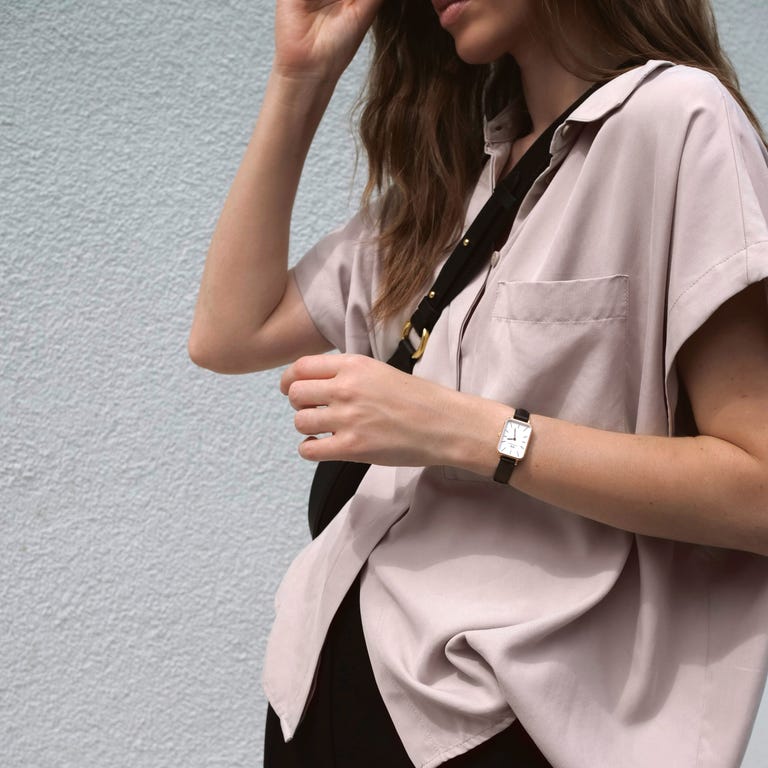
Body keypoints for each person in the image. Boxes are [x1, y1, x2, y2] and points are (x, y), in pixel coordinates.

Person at [189, 0, 768, 766]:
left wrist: (458, 427)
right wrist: (301, 76)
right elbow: (227, 333)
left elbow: (759, 488)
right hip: (314, 694)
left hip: (506, 723)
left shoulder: (678, 120)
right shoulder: (456, 187)